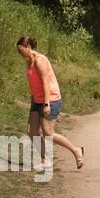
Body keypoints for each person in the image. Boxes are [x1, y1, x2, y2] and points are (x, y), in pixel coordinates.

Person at [17, 36, 83, 170]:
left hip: (50, 99)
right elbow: (34, 84)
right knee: (32, 130)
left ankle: (76, 150)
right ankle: (45, 160)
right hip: (36, 101)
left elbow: (46, 83)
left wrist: (46, 103)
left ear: (28, 47)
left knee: (48, 133)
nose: (19, 53)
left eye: (21, 50)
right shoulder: (28, 61)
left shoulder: (39, 61)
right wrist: (34, 102)